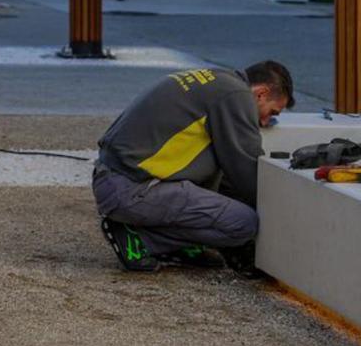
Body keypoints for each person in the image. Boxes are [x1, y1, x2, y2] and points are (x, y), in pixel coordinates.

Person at [94, 60, 295, 275]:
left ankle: (181, 246)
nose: (266, 122)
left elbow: (225, 165)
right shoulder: (237, 96)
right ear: (261, 93)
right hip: (131, 190)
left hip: (115, 179)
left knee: (221, 179)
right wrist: (282, 216)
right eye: (272, 113)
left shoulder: (217, 80)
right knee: (242, 223)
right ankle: (139, 238)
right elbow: (246, 171)